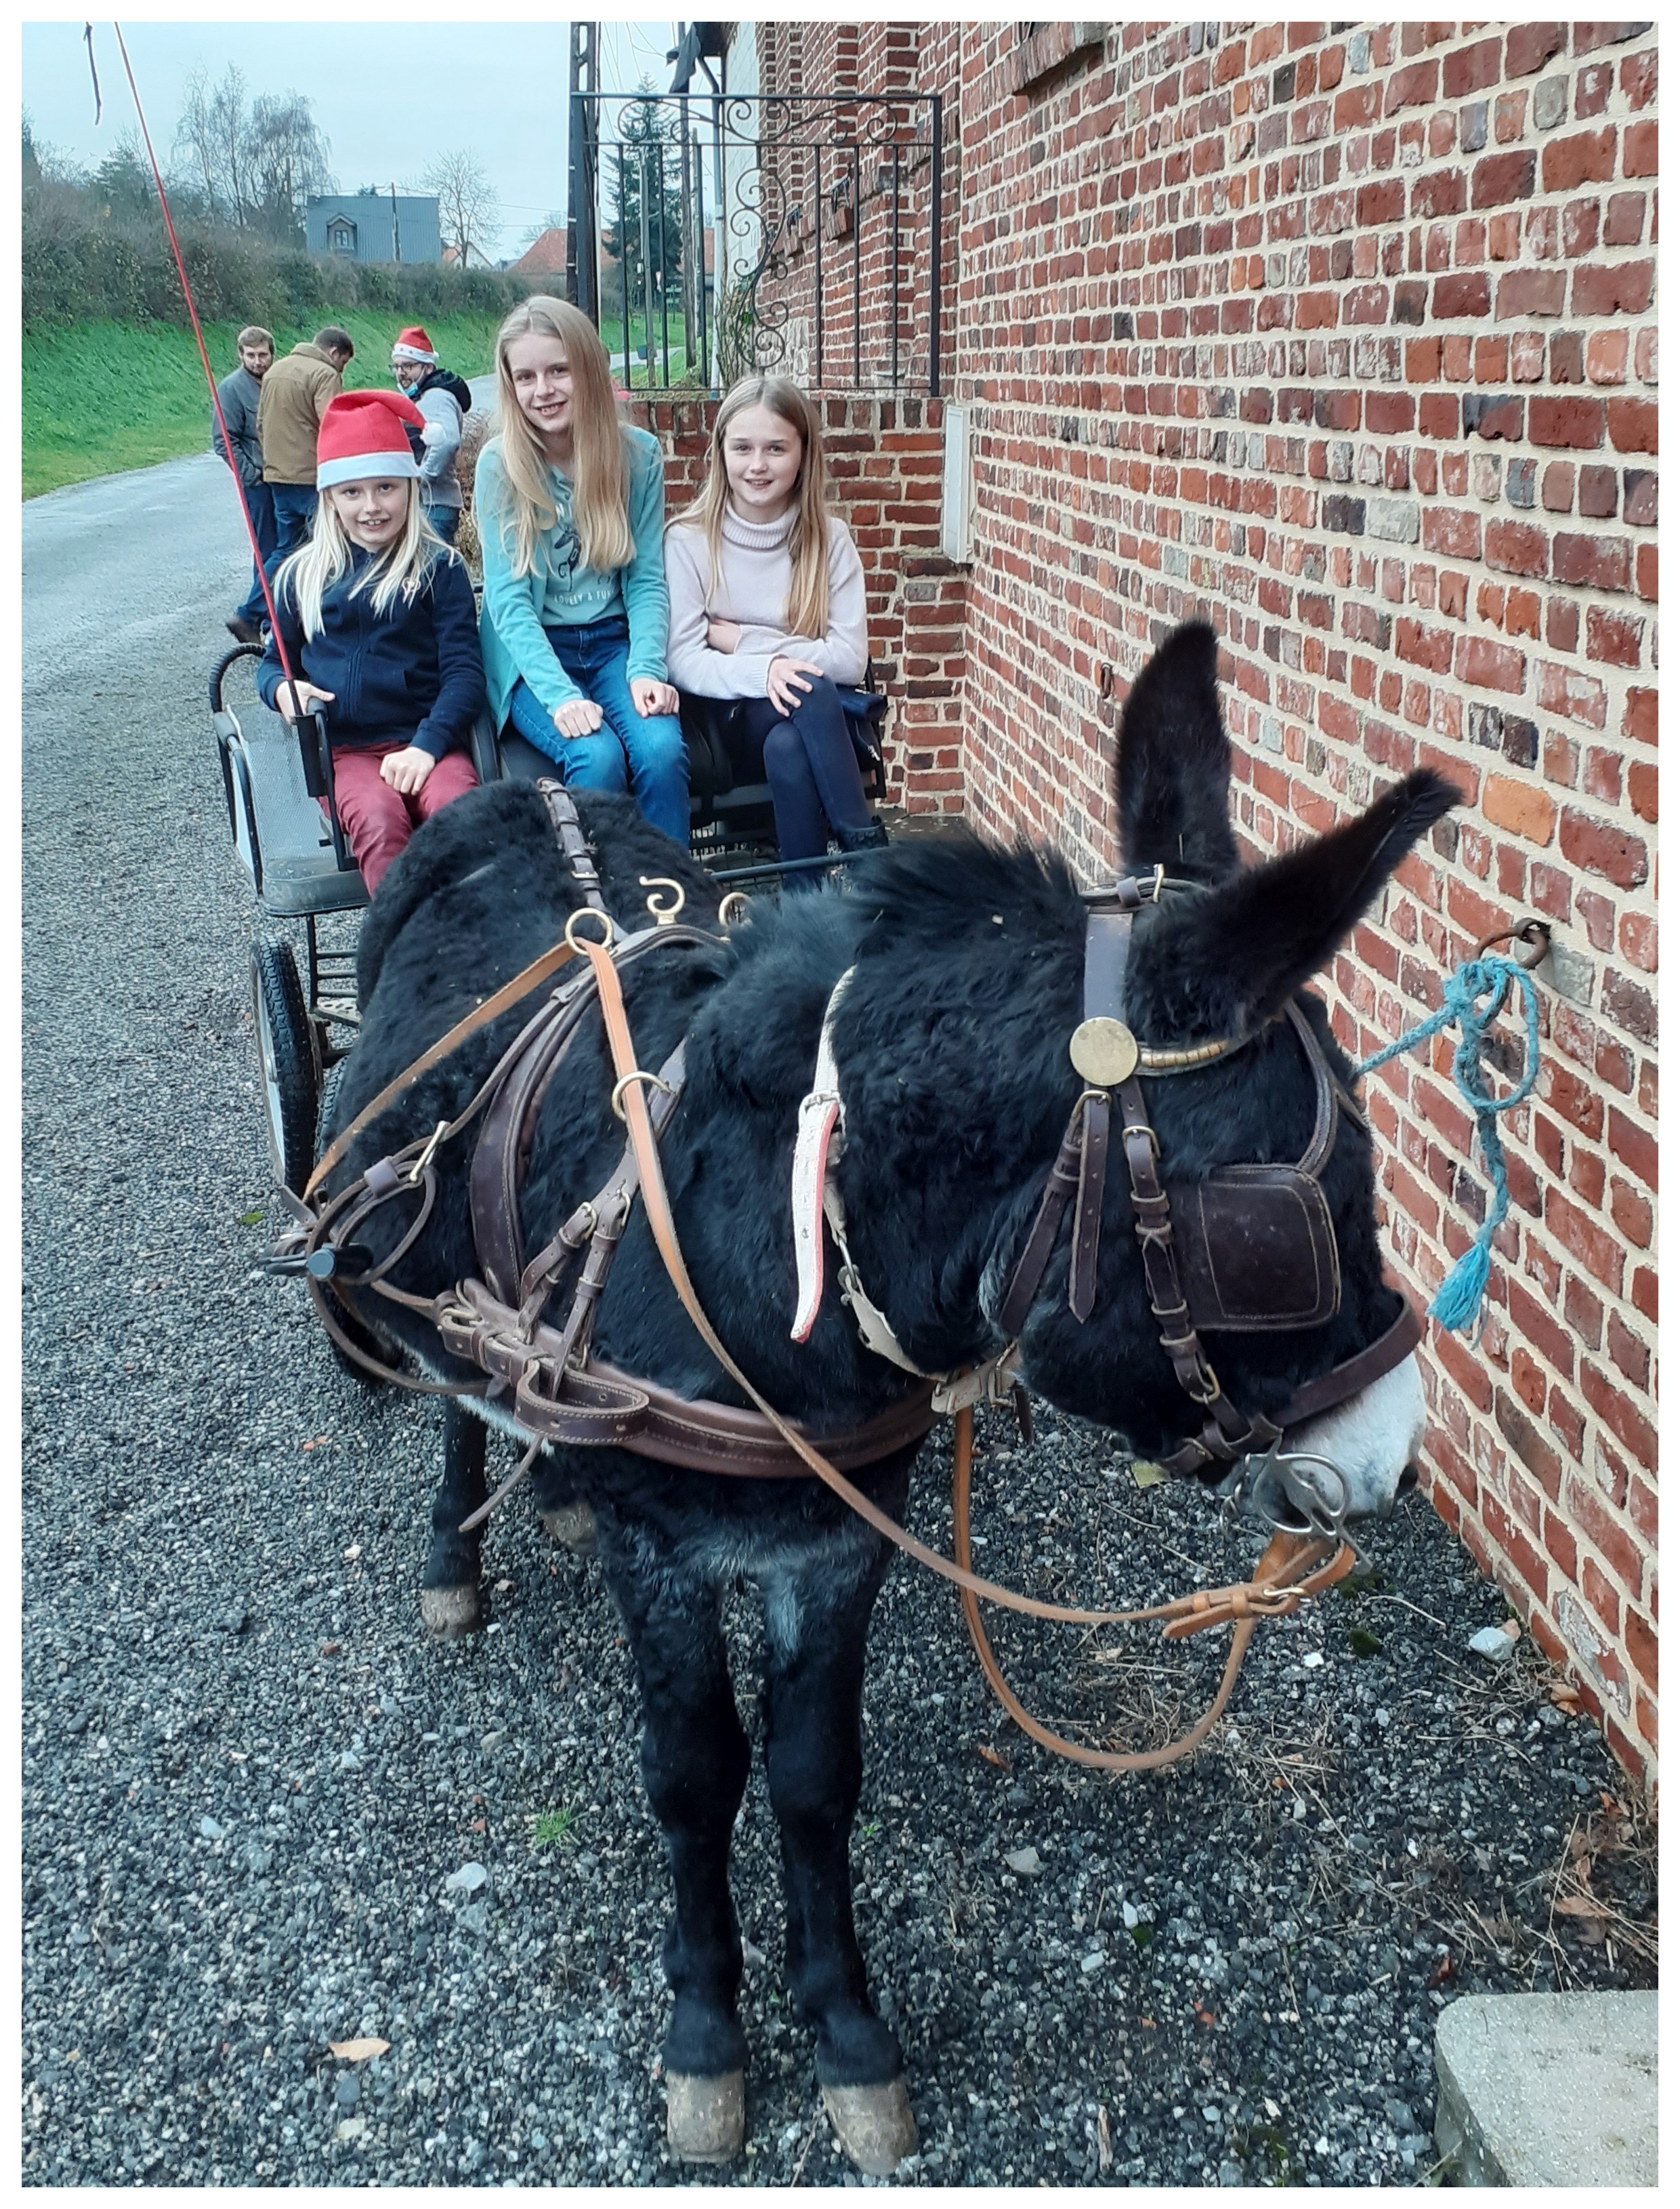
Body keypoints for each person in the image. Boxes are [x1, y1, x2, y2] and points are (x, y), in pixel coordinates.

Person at [474, 295, 687, 844]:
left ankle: (678, 912)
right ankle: (596, 911)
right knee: (596, 756)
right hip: (536, 657)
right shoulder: (501, 465)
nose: (542, 390)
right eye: (525, 377)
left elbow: (644, 580)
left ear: (588, 369)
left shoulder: (637, 456)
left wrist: (646, 669)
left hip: (613, 643)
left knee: (661, 750)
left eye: (558, 370)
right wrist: (560, 696)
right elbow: (509, 601)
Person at [255, 390, 482, 896]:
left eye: (386, 487)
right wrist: (283, 691)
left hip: (430, 742)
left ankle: (473, 949)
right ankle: (405, 959)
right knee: (380, 821)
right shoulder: (300, 577)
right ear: (330, 498)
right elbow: (274, 665)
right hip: (346, 754)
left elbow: (465, 676)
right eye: (352, 492)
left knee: (461, 816)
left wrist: (426, 746)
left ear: (410, 487)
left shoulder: (439, 569)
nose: (372, 507)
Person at [665, 376, 885, 875]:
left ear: (804, 454)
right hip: (726, 723)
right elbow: (682, 660)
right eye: (742, 448)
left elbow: (851, 657)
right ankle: (870, 864)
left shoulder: (830, 539)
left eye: (776, 449)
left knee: (791, 738)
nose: (758, 465)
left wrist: (747, 642)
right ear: (721, 452)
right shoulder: (688, 541)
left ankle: (803, 902)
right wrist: (764, 672)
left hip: (807, 729)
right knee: (810, 686)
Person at [257, 324, 356, 581]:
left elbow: (261, 424)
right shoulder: (325, 374)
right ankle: (320, 610)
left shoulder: (274, 371)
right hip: (311, 478)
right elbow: (332, 426)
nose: (341, 369)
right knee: (330, 545)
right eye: (343, 362)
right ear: (333, 352)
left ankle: (253, 611)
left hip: (277, 476)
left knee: (286, 550)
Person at [213, 324, 276, 644]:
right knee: (270, 550)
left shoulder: (278, 382)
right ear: (240, 355)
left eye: (262, 355)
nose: (257, 361)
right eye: (250, 355)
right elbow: (224, 441)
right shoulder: (231, 389)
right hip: (258, 483)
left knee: (275, 550)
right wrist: (251, 476)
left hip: (284, 478)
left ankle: (268, 622)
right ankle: (254, 617)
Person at [390, 325, 468, 545]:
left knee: (433, 574)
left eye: (408, 366)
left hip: (434, 505)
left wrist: (421, 477)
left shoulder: (436, 396)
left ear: (428, 368)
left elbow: (447, 441)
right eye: (396, 366)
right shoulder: (422, 394)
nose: (401, 373)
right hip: (430, 504)